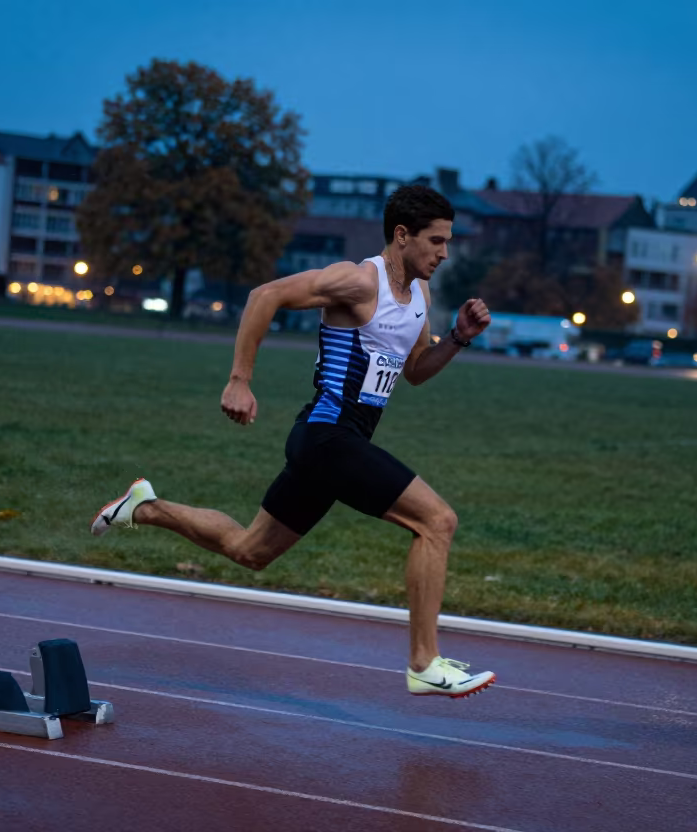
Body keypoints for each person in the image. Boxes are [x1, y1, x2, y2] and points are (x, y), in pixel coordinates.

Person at [91, 185, 495, 698]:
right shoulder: (356, 281)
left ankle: (144, 507)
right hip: (327, 435)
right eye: (436, 241)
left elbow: (414, 371)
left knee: (249, 550)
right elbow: (266, 296)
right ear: (401, 235)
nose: (444, 253)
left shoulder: (420, 296)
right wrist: (240, 379)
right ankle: (423, 661)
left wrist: (457, 339)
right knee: (437, 521)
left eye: (447, 242)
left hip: (335, 445)